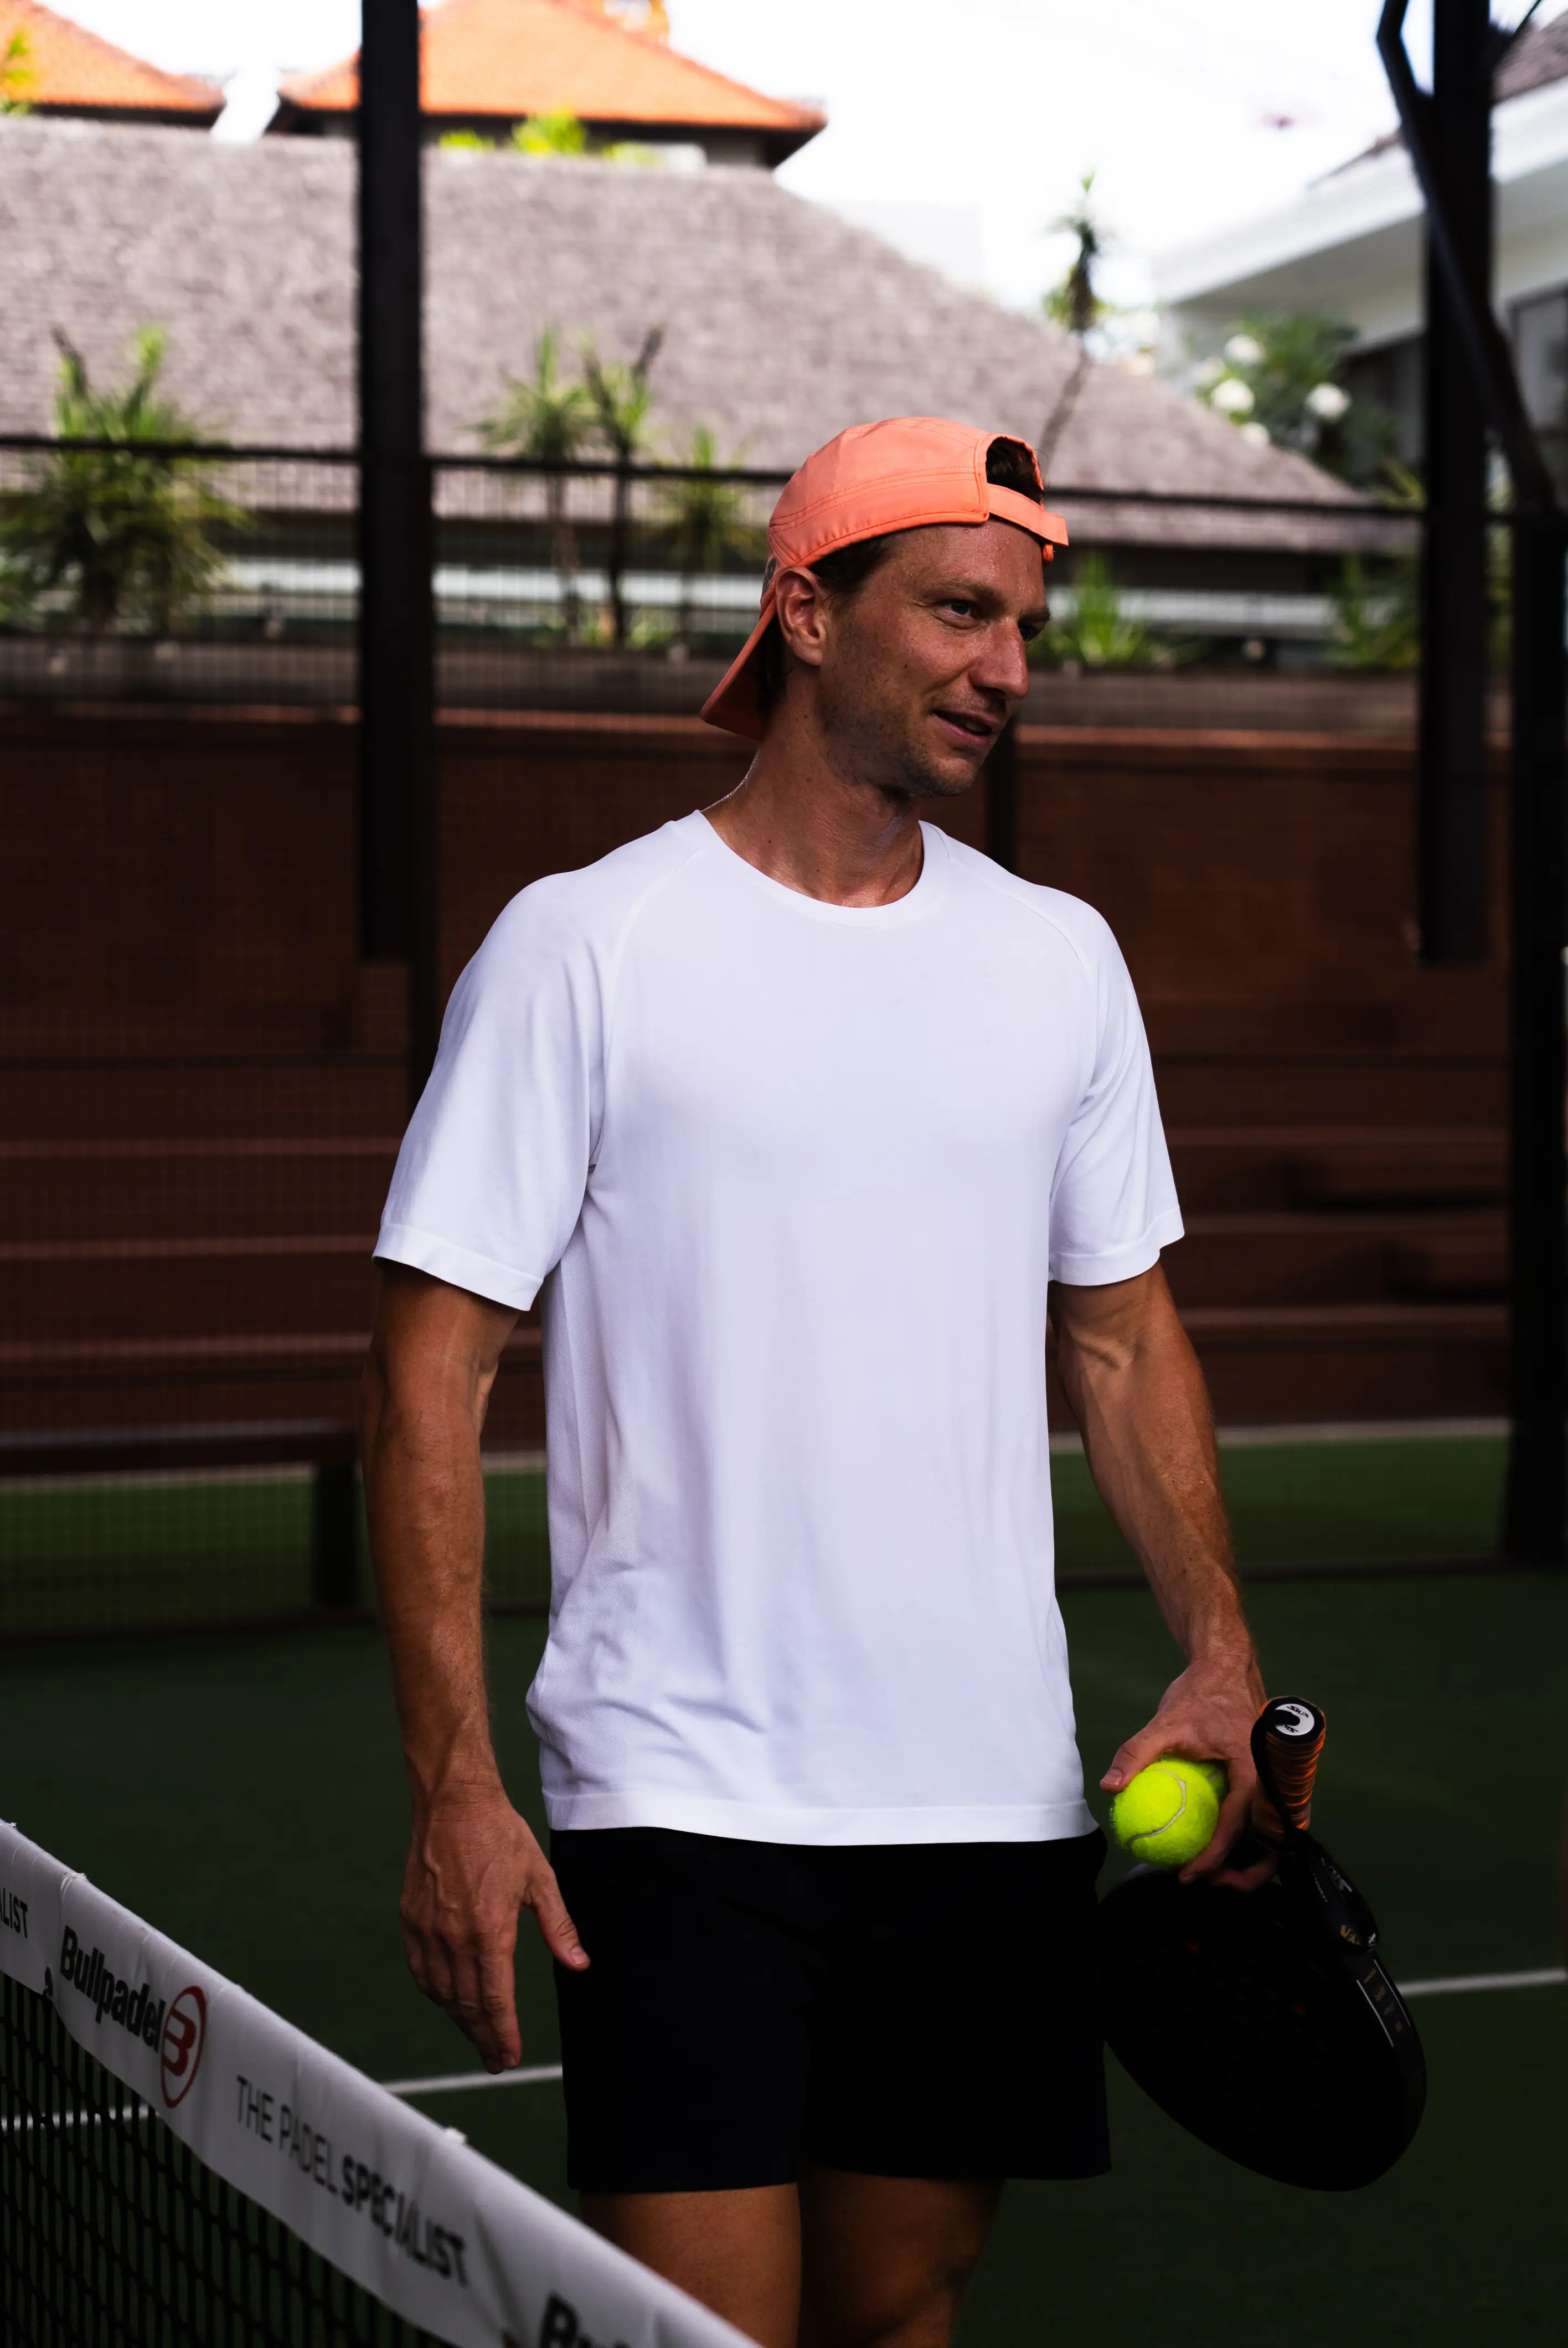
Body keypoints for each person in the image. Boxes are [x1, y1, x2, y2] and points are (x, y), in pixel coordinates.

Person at [362, 415, 1269, 2348]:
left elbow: (1125, 1337)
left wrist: (1219, 1650)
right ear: (803, 612)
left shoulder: (1059, 959)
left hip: (991, 1799)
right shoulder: (585, 945)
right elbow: (430, 1378)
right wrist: (455, 1778)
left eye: (1022, 629)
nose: (1003, 669)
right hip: (680, 1798)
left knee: (901, 2320)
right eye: (955, 612)